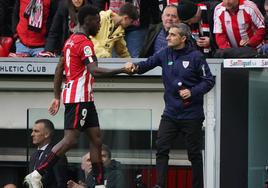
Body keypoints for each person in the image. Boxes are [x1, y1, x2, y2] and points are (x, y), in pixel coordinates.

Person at [24, 4, 131, 188]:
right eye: (97, 21)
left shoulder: (70, 40)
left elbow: (59, 69)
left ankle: (98, 184)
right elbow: (95, 70)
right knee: (70, 139)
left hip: (85, 98)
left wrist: (57, 96)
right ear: (88, 21)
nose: (99, 25)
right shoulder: (84, 43)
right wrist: (123, 69)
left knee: (96, 139)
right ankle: (37, 173)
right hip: (78, 98)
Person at [126, 23, 215, 188]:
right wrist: (135, 67)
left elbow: (209, 81)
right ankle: (160, 185)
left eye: (173, 35)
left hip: (192, 115)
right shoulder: (164, 53)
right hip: (171, 114)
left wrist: (192, 91)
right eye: (168, 34)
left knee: (194, 154)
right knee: (161, 148)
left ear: (183, 38)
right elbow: (147, 64)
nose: (168, 37)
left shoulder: (196, 57)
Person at [42, 0, 107, 57]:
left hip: (85, 46)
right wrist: (48, 50)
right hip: (68, 46)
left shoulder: (90, 10)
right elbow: (54, 31)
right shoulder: (63, 8)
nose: (77, 0)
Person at [28, 119, 68, 188]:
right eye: (32, 131)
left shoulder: (56, 154)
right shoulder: (33, 156)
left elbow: (61, 183)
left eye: (36, 131)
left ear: (47, 134)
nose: (32, 134)